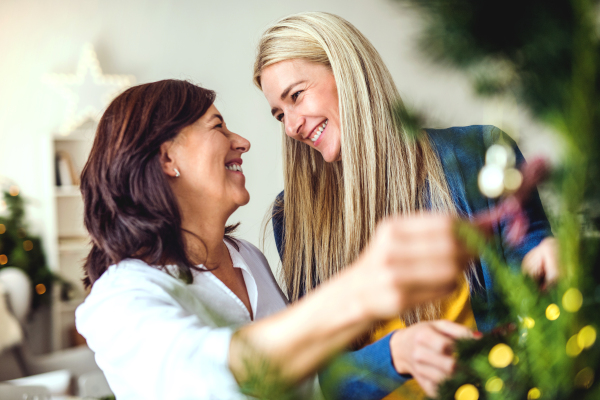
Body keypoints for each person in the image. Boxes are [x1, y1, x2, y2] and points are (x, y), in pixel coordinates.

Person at [74, 79, 472, 400]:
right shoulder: (119, 298)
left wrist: (396, 353)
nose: (242, 141)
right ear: (167, 159)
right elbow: (207, 378)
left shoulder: (247, 258)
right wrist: (359, 290)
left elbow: (305, 386)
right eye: (218, 127)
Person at [253, 12, 558, 399]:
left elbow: (536, 270)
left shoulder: (477, 154)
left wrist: (552, 257)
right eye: (279, 114)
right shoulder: (295, 217)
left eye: (295, 96)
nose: (290, 127)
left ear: (348, 71)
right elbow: (321, 376)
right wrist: (396, 354)